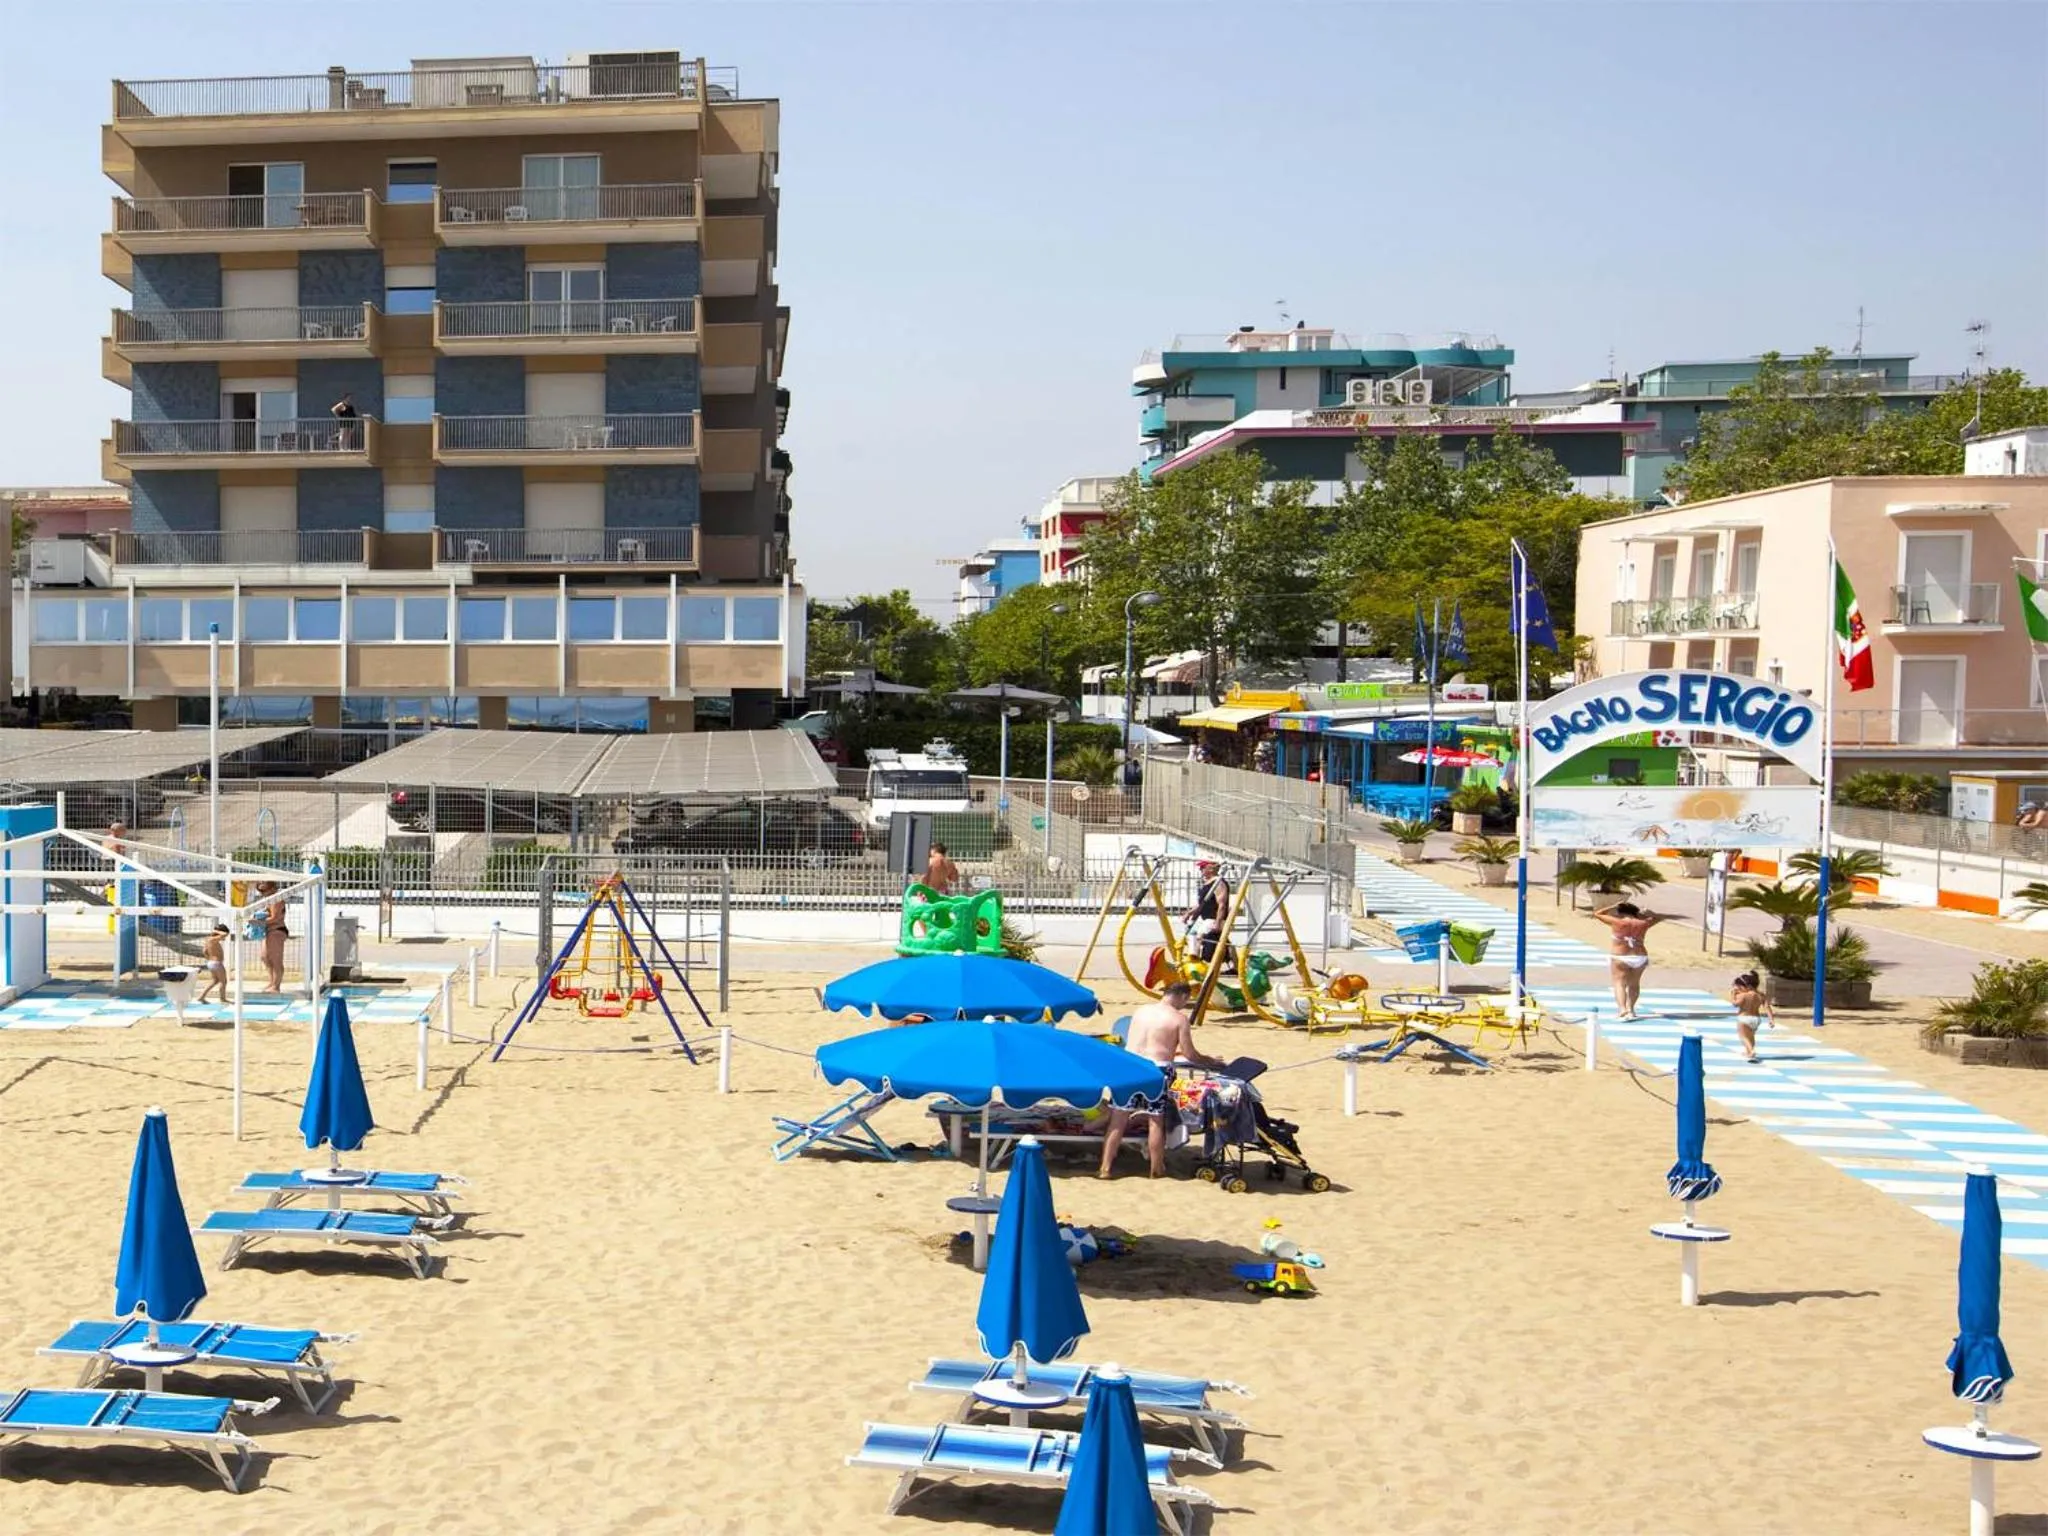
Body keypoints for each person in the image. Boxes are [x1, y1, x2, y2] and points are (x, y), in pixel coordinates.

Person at [1097, 983, 1228, 1179]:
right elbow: (1190, 1054)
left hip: (1129, 1066)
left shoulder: (1141, 1011)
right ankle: (1156, 1169)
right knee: (1155, 1121)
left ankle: (1105, 1168)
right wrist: (1211, 1061)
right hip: (1156, 1071)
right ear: (1183, 996)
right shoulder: (1179, 1019)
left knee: (1118, 1120)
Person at [1593, 900, 1674, 1021]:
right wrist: (1648, 914)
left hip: (1620, 956)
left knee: (1619, 983)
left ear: (1620, 913)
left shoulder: (1617, 922)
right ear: (1635, 913)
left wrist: (1613, 905)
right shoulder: (1643, 923)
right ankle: (1631, 1008)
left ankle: (1622, 1009)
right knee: (1634, 984)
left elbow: (1598, 913)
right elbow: (1660, 918)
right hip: (1639, 956)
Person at [1186, 859, 1230, 964]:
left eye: (1202, 868)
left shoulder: (1218, 883)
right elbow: (1202, 903)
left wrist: (1218, 922)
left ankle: (1194, 960)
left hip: (1214, 918)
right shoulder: (1208, 883)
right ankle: (1234, 965)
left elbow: (1222, 904)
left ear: (1210, 868)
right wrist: (1189, 913)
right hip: (1207, 919)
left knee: (1195, 935)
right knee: (1224, 942)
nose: (1201, 870)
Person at [1731, 970, 1773, 1062]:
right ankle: (1749, 1052)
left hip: (1743, 1018)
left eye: (1740, 987)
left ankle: (1751, 1051)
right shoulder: (1761, 995)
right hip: (1756, 1019)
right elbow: (1767, 1007)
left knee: (1743, 1037)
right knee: (1751, 1036)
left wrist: (1733, 995)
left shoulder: (1744, 995)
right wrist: (1771, 1020)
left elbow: (1735, 1004)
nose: (1739, 989)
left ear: (1748, 986)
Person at [257, 880, 288, 994]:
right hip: (269, 931)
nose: (262, 893)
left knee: (276, 960)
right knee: (265, 957)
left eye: (264, 890)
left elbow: (274, 918)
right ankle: (272, 982)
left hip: (277, 930)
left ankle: (276, 986)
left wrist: (258, 922)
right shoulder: (269, 900)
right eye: (260, 891)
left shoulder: (276, 900)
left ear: (272, 888)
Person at [196, 923, 230, 1005]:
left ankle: (201, 997)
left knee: (215, 981)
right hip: (217, 963)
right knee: (223, 981)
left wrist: (209, 959)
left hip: (211, 963)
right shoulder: (213, 939)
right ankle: (223, 999)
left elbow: (204, 951)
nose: (224, 937)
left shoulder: (208, 939)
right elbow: (225, 934)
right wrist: (217, 931)